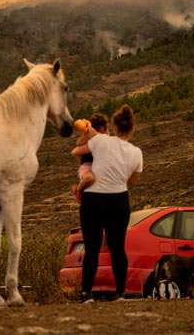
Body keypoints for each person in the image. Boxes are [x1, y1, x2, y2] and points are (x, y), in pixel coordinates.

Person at [70, 105, 143, 303]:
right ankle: (120, 292)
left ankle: (86, 293)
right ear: (132, 128)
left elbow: (82, 126)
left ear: (113, 125)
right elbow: (132, 182)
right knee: (117, 248)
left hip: (94, 200)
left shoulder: (100, 140)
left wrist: (85, 126)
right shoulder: (137, 152)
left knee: (92, 247)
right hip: (119, 200)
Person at [70, 114, 109, 203]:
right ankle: (78, 191)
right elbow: (76, 147)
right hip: (88, 167)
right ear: (103, 128)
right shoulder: (88, 138)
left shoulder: (104, 138)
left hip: (100, 167)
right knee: (89, 178)